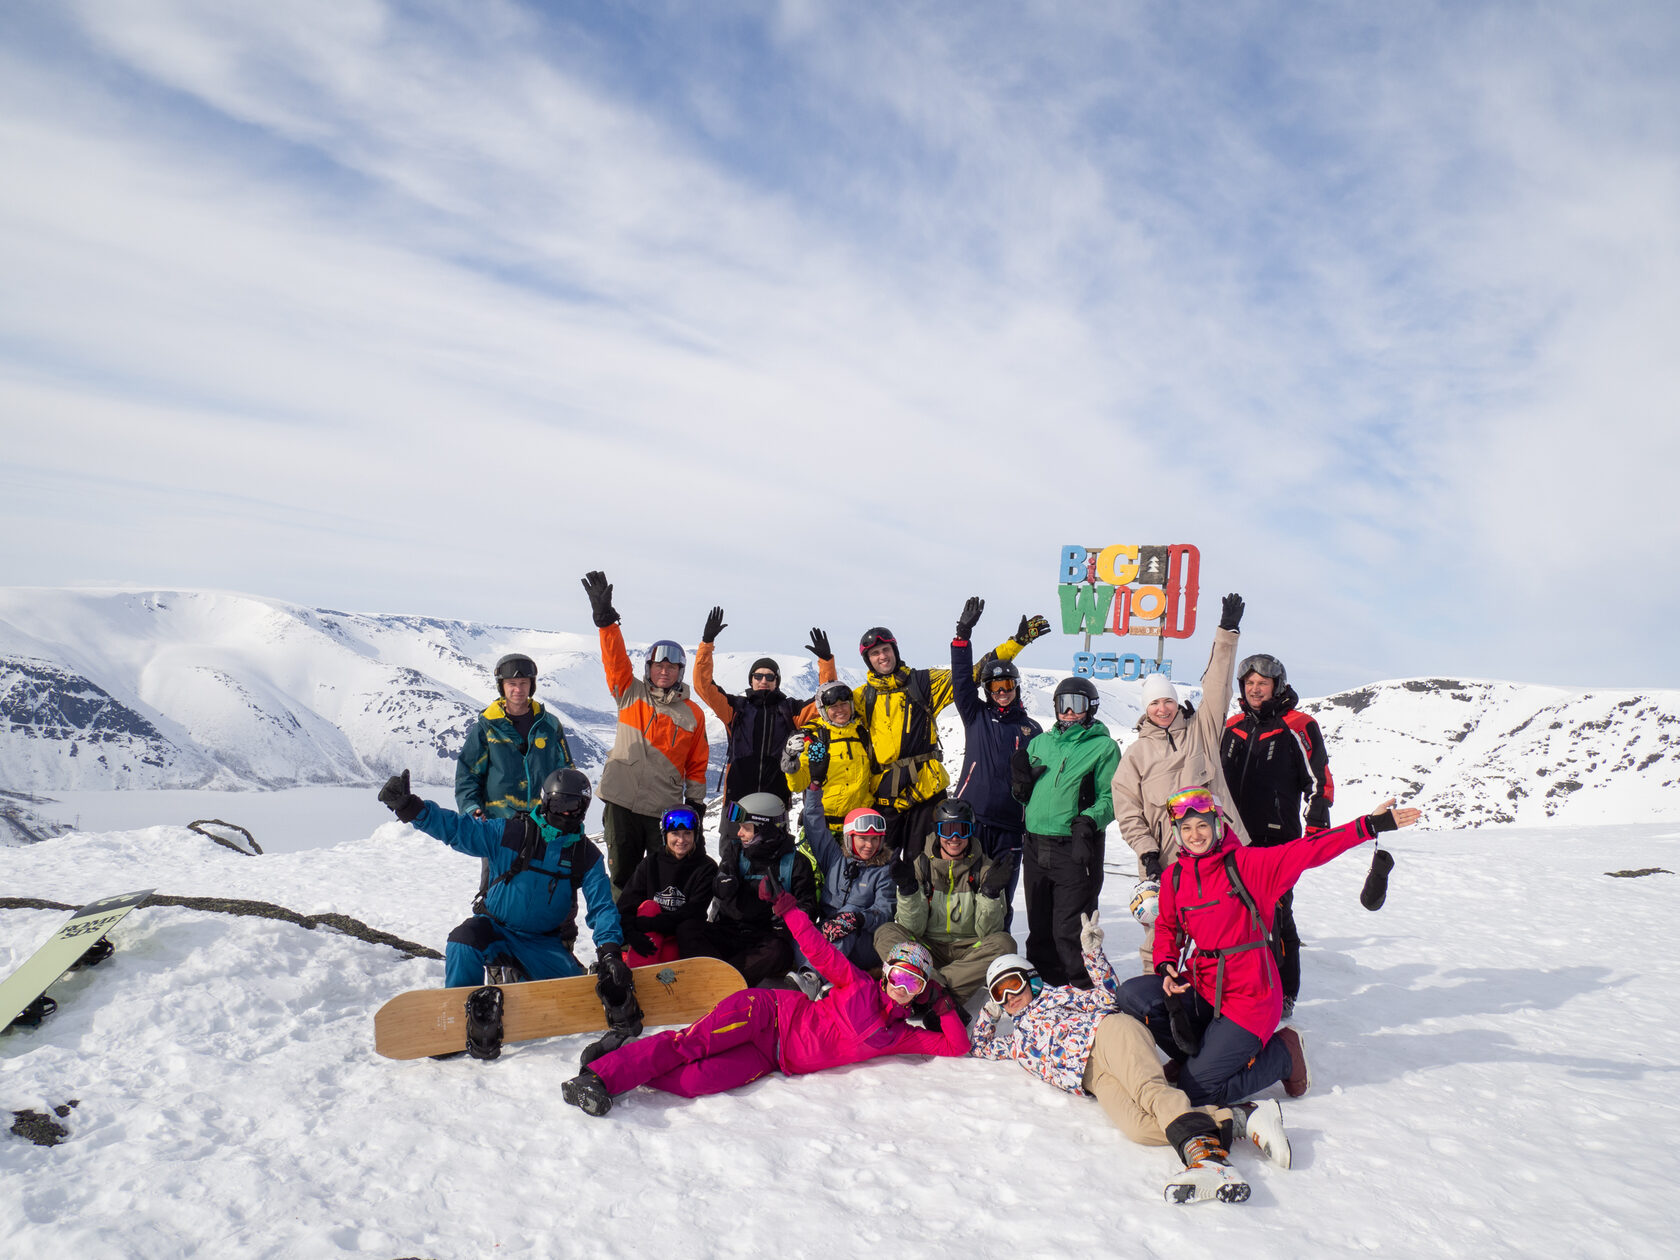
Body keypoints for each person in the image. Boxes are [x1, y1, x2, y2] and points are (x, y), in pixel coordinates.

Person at [1116, 786, 1422, 1109]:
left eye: (1203, 825)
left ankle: (1283, 1055)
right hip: (1202, 983)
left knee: (1196, 1091)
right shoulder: (1176, 876)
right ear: (1177, 833)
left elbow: (1308, 850)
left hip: (1250, 996)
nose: (1195, 835)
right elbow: (1167, 926)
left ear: (1218, 825)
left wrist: (1367, 826)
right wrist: (1165, 965)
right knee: (1132, 996)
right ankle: (1198, 1057)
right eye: (1187, 828)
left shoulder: (1246, 865)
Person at [972, 940, 1290, 1205]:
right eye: (998, 993)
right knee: (1138, 1128)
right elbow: (980, 1046)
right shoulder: (1016, 1041)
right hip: (1093, 1079)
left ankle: (1208, 1160)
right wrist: (988, 1013)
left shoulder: (1058, 996)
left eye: (1012, 985)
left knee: (1151, 1094)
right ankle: (1239, 1118)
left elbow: (1110, 996)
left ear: (1031, 979)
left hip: (1109, 1035)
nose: (1008, 997)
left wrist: (1093, 955)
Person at [561, 912, 968, 1118]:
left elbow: (956, 1045)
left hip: (770, 1058)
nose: (901, 988)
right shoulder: (859, 984)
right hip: (766, 1014)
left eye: (913, 984)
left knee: (694, 1080)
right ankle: (597, 1078)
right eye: (898, 975)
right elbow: (821, 952)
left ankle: (616, 1060)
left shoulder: (901, 1035)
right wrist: (790, 911)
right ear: (886, 973)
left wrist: (941, 1003)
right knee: (689, 1045)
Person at [375, 767, 639, 1058]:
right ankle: (456, 1022)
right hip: (496, 930)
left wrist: (611, 952)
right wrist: (411, 808)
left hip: (542, 943)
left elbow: (602, 906)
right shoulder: (513, 833)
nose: (567, 814)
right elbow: (459, 830)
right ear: (546, 802)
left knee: (581, 997)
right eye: (561, 805)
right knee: (463, 941)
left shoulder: (585, 855)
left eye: (575, 806)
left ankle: (515, 992)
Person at [1112, 593, 1252, 966]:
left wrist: (1227, 633)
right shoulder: (1135, 756)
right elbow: (1128, 813)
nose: (1162, 708)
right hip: (1163, 859)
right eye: (1154, 703)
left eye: (1168, 701)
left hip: (1216, 853)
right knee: (1161, 933)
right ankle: (1157, 998)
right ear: (1146, 709)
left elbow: (1218, 687)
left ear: (1176, 703)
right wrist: (1147, 851)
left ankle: (1220, 996)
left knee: (1221, 929)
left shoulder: (1201, 731)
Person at [839, 611, 1035, 857]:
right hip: (885, 796)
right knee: (881, 868)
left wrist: (1016, 642)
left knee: (925, 867)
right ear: (868, 660)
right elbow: (833, 712)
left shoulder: (922, 683)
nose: (882, 656)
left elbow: (971, 675)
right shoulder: (862, 697)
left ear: (895, 651)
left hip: (926, 792)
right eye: (875, 653)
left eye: (885, 650)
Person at [580, 571, 710, 898]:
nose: (663, 672)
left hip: (661, 808)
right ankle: (619, 939)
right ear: (648, 667)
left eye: (670, 668)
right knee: (621, 874)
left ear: (680, 672)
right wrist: (606, 622)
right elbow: (615, 661)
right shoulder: (630, 692)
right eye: (657, 665)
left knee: (658, 875)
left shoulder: (693, 714)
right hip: (621, 801)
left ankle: (654, 936)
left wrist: (694, 803)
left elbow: (696, 764)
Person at [1220, 653, 1335, 1017]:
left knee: (1275, 915)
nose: (1255, 689)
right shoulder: (1233, 725)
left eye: (1262, 684)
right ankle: (1237, 987)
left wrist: (1316, 823)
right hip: (1231, 838)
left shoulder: (1299, 725)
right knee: (1232, 914)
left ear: (1277, 686)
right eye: (1250, 683)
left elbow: (1319, 779)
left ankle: (1283, 992)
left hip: (1276, 838)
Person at [454, 652, 579, 959]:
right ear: (502, 687)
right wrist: (473, 811)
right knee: (496, 892)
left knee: (555, 890)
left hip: (546, 826)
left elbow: (567, 772)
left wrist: (569, 811)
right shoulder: (487, 727)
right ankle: (495, 956)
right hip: (500, 826)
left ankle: (559, 952)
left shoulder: (549, 726)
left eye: (523, 683)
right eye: (511, 684)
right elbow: (468, 774)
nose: (517, 690)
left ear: (531, 685)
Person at [1009, 677, 1121, 989]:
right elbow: (1027, 796)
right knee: (1040, 927)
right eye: (1063, 704)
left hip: (1073, 847)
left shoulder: (1103, 747)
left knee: (1070, 929)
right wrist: (1020, 787)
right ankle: (1044, 994)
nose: (1069, 711)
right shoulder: (1040, 743)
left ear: (1092, 707)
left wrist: (1088, 820)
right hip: (1034, 845)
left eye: (1078, 704)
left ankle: (1082, 991)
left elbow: (1111, 798)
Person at [692, 608, 837, 842]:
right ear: (750, 680)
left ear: (777, 682)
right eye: (758, 676)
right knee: (732, 856)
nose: (763, 680)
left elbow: (827, 698)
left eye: (770, 677)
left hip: (775, 799)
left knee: (773, 860)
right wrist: (707, 643)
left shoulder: (791, 710)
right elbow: (703, 686)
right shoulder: (735, 708)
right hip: (738, 798)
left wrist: (826, 662)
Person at [949, 597, 1046, 928]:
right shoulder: (976, 715)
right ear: (987, 690)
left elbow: (1041, 782)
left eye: (1007, 686)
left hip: (1010, 829)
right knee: (964, 893)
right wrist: (963, 636)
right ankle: (961, 955)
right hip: (972, 821)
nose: (1002, 692)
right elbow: (961, 681)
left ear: (1016, 688)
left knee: (999, 897)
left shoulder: (1033, 729)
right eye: (995, 687)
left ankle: (997, 956)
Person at [873, 798, 1017, 1005]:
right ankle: (945, 990)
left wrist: (990, 894)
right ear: (938, 832)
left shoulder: (985, 870)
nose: (954, 838)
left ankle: (927, 985)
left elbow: (988, 933)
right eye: (947, 830)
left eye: (962, 830)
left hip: (970, 951)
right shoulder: (921, 865)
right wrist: (909, 890)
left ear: (971, 832)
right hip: (927, 949)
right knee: (885, 932)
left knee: (1005, 943)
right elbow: (913, 928)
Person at [704, 792, 820, 986]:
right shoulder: (735, 852)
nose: (739, 833)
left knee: (777, 952)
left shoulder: (796, 863)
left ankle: (722, 983)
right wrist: (722, 883)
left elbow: (809, 907)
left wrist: (788, 920)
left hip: (768, 939)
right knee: (689, 929)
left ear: (765, 829)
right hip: (730, 931)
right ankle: (709, 974)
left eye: (746, 828)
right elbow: (719, 886)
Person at [795, 798, 896, 974]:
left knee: (847, 917)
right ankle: (824, 981)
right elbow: (814, 826)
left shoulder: (883, 871)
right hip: (827, 933)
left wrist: (857, 918)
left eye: (875, 839)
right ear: (849, 838)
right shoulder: (835, 858)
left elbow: (885, 911)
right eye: (863, 838)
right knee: (800, 936)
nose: (869, 845)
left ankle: (813, 977)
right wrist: (814, 789)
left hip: (863, 943)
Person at [616, 805, 719, 968]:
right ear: (665, 835)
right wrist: (631, 933)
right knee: (649, 906)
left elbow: (693, 911)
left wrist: (648, 924)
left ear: (695, 835)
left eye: (687, 833)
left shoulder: (706, 868)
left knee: (667, 963)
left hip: (681, 937)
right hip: (651, 935)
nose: (681, 840)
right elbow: (626, 904)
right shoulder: (650, 863)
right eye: (675, 834)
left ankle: (640, 973)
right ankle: (638, 976)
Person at [782, 680, 875, 837]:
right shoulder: (817, 739)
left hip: (858, 828)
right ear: (823, 710)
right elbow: (799, 784)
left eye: (844, 704)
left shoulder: (863, 734)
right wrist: (790, 760)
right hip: (822, 827)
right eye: (833, 707)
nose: (840, 710)